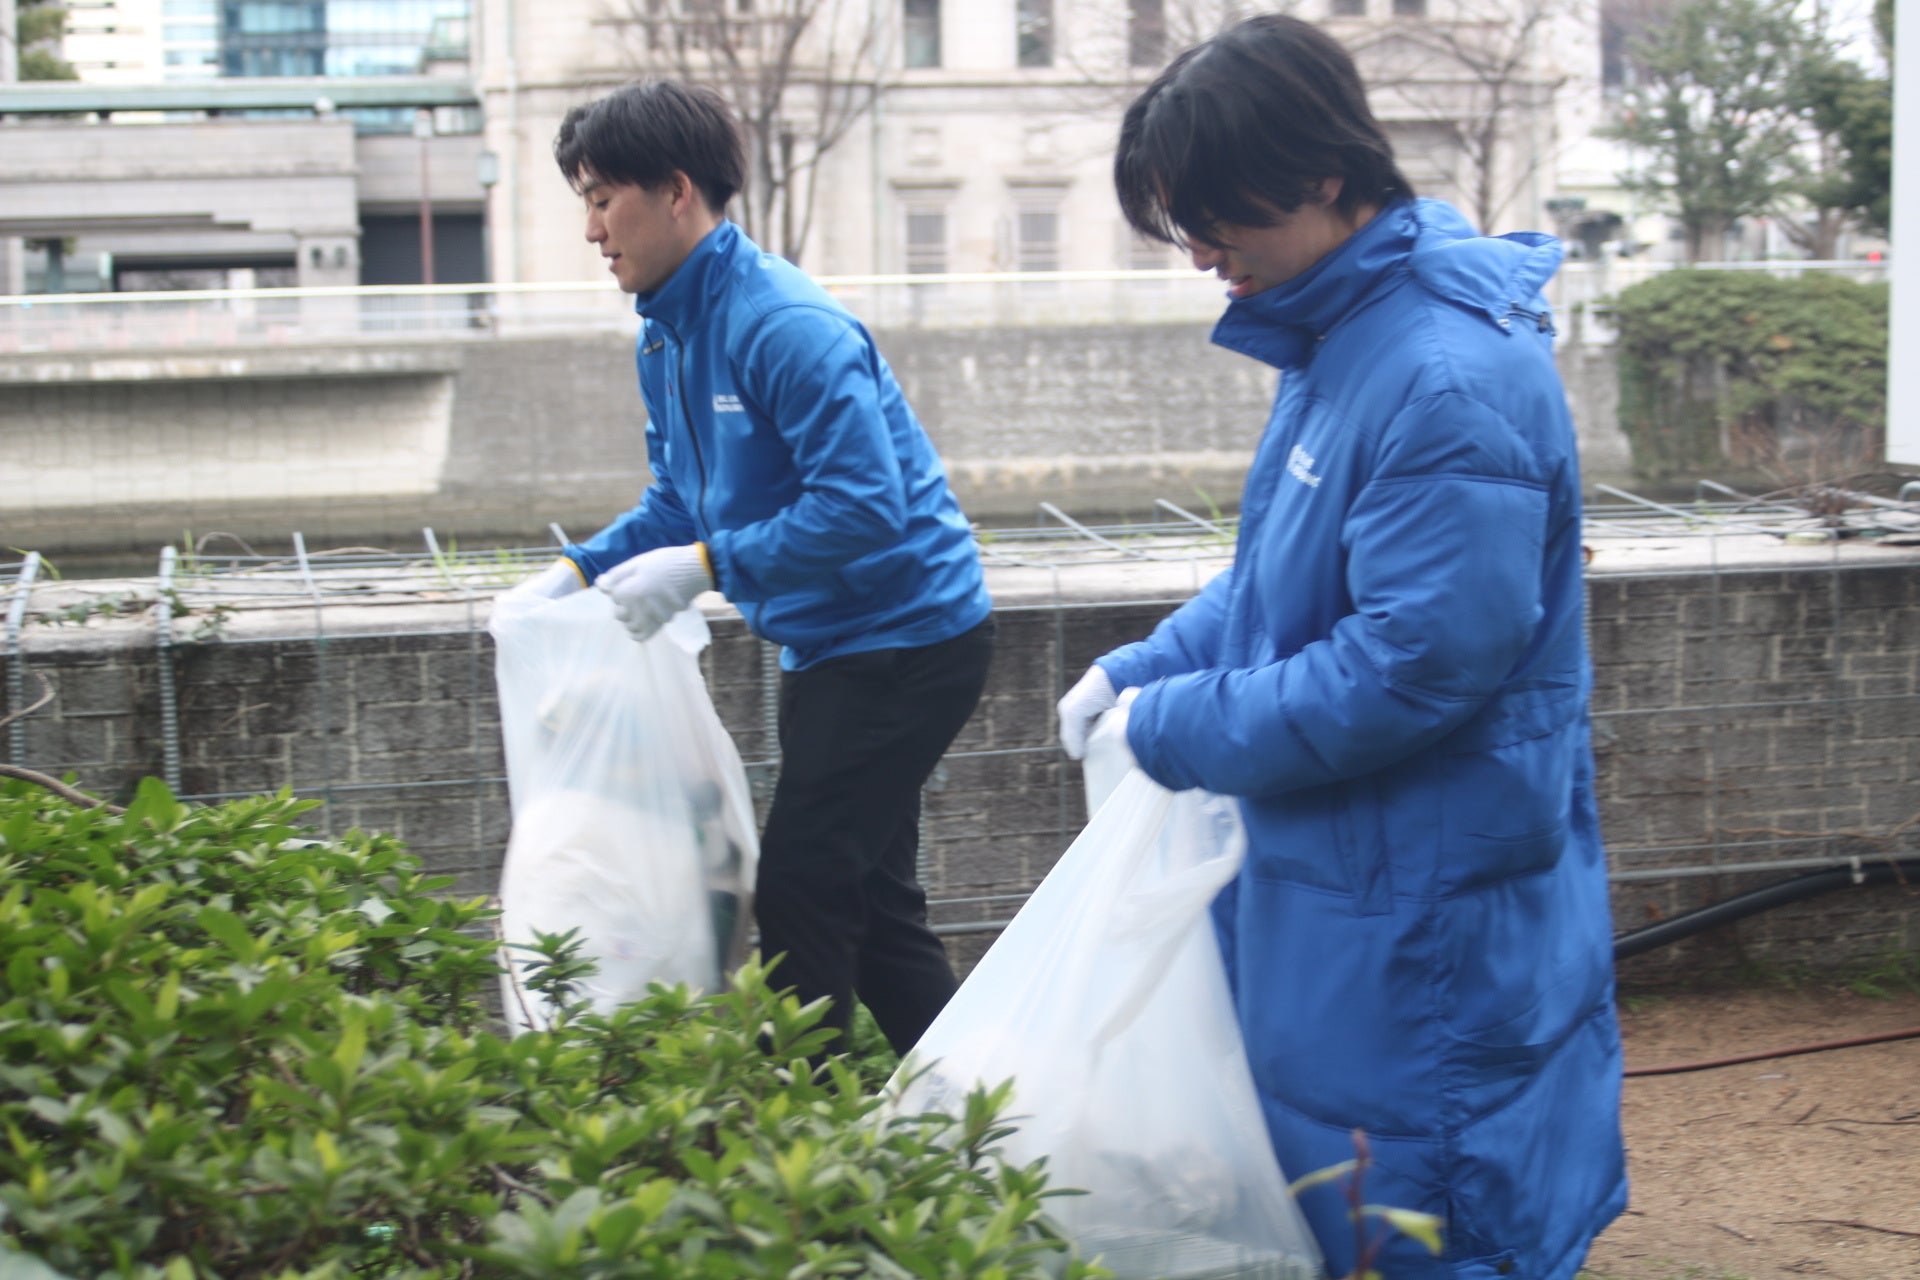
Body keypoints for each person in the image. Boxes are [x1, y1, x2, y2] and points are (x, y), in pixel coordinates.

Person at [1056, 16, 1627, 1280]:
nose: (1202, 252)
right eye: (1183, 224)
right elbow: (1284, 581)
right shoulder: (1348, 337)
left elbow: (1408, 664)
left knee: (1430, 1209)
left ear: (1321, 176)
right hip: (1355, 878)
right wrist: (1145, 667)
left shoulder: (1443, 376)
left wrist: (1177, 725)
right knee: (1354, 1198)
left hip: (1427, 895)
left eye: (1216, 216)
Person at [506, 80, 993, 1057]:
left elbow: (866, 506)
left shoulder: (784, 325)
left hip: (906, 640)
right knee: (871, 904)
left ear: (676, 191)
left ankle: (802, 1132)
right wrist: (576, 571)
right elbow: (680, 500)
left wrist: (704, 567)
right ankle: (974, 1112)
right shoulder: (667, 330)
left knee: (804, 887)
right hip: (826, 642)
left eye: (603, 200)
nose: (592, 230)